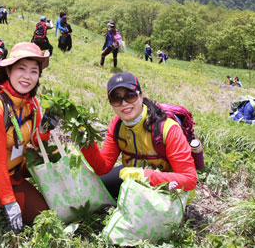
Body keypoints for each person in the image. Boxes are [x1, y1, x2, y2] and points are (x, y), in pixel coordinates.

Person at [0, 42, 57, 234]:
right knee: (44, 214)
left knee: (55, 161)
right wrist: (9, 201)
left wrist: (47, 127)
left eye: (34, 71)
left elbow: (37, 141)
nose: (27, 76)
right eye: (21, 69)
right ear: (8, 71)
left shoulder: (30, 102)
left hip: (15, 165)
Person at [79, 72, 197, 200]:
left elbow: (189, 180)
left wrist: (144, 175)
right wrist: (85, 140)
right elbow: (103, 167)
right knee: (90, 189)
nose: (124, 103)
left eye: (130, 96)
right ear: (111, 103)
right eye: (116, 99)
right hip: (132, 178)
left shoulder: (168, 129)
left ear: (140, 96)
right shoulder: (117, 125)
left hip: (166, 185)